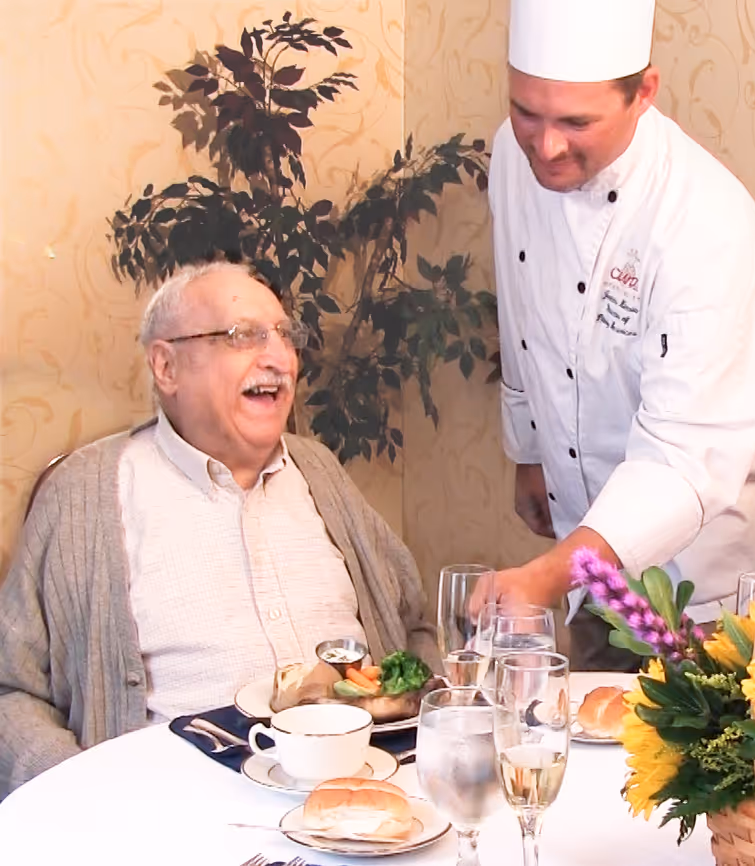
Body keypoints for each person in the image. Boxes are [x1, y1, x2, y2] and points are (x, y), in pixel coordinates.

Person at [0, 260, 439, 798]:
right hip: (176, 817)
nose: (279, 359)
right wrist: (83, 795)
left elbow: (415, 630)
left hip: (368, 800)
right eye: (243, 336)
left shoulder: (321, 471)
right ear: (167, 367)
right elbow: (12, 692)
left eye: (285, 335)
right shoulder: (84, 495)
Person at [490, 0, 755, 670]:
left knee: (697, 762)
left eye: (577, 122)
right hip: (590, 545)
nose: (545, 146)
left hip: (711, 581)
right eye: (527, 112)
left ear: (645, 94)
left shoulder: (706, 223)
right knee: (592, 745)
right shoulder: (509, 159)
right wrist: (528, 448)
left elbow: (683, 462)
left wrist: (543, 578)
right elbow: (518, 307)